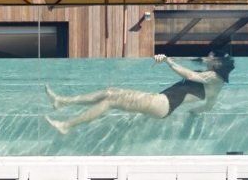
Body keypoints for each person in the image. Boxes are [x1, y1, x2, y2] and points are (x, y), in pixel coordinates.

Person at [45, 53, 234, 134]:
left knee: (110, 100)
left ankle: (67, 125)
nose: (207, 58)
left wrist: (168, 61)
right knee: (110, 92)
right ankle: (62, 102)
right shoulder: (215, 82)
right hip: (160, 102)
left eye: (211, 57)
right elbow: (209, 106)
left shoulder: (214, 77)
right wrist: (193, 113)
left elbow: (189, 74)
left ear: (218, 64)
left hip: (162, 104)